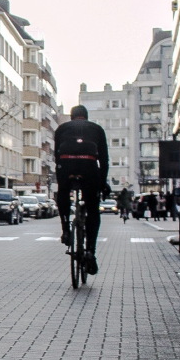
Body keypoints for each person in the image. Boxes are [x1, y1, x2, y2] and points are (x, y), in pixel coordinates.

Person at [54, 104, 110, 274]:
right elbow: (104, 160)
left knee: (63, 193)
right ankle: (90, 251)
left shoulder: (62, 128)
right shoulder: (97, 129)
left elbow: (56, 156)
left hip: (67, 166)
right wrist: (102, 182)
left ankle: (65, 229)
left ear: (72, 117)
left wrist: (62, 180)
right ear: (86, 116)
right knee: (93, 209)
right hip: (89, 167)